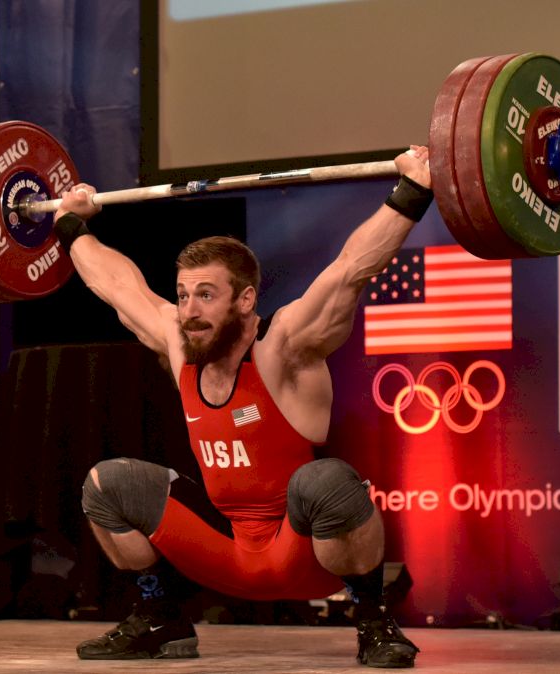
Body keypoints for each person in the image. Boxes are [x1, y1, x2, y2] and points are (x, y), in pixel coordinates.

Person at [53, 147, 433, 667]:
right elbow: (116, 285)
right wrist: (71, 222)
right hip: (226, 554)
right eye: (184, 295)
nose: (189, 310)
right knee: (105, 484)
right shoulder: (180, 342)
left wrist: (415, 188)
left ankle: (373, 622)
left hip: (306, 555)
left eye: (206, 295)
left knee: (324, 480)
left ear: (246, 300)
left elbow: (350, 272)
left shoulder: (284, 350)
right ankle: (161, 618)